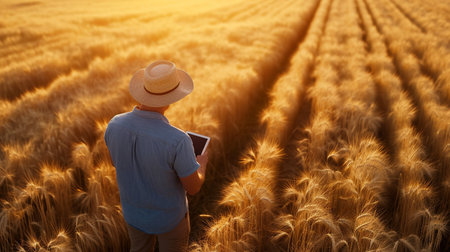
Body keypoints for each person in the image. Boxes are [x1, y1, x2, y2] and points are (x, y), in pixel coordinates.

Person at [104, 60, 208, 252]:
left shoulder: (114, 125)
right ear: (171, 99)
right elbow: (193, 188)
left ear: (143, 90)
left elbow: (116, 162)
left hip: (133, 215)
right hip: (169, 220)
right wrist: (200, 164)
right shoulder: (178, 140)